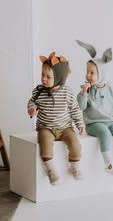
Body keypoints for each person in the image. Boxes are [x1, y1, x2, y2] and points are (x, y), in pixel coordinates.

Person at [76, 40, 113, 175]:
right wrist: (84, 94)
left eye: (92, 73)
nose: (88, 75)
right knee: (105, 134)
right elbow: (80, 106)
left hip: (110, 121)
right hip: (93, 123)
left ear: (102, 74)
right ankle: (108, 164)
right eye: (87, 72)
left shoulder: (111, 89)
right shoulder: (87, 90)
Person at [27, 51, 85, 185]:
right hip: (45, 127)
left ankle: (75, 168)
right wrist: (31, 110)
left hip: (65, 128)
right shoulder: (38, 91)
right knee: (45, 145)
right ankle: (51, 171)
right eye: (42, 75)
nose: (43, 79)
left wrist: (80, 124)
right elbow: (31, 102)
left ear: (59, 78)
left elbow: (75, 109)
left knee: (75, 144)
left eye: (48, 76)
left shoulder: (68, 92)